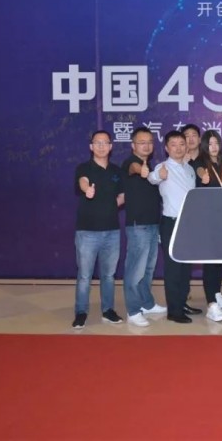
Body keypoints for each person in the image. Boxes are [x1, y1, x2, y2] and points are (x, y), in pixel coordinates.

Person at [72, 130, 125, 329]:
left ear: (111, 146)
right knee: (85, 276)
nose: (101, 146)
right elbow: (82, 181)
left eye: (105, 143)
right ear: (91, 146)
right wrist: (87, 190)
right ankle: (81, 312)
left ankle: (108, 310)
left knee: (109, 275)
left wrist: (111, 206)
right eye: (97, 142)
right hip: (87, 232)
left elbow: (122, 195)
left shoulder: (116, 171)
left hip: (112, 232)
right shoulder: (84, 168)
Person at [147, 131, 197, 324]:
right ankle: (174, 311)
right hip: (172, 222)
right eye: (173, 144)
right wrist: (157, 175)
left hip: (189, 223)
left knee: (186, 267)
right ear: (167, 148)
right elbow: (152, 178)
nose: (178, 148)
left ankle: (182, 303)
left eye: (181, 144)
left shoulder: (189, 168)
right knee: (174, 268)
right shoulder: (163, 167)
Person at [121, 127, 166, 327]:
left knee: (148, 269)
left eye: (149, 142)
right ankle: (133, 310)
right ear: (133, 145)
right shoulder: (130, 163)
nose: (146, 145)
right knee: (135, 270)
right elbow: (134, 168)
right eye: (141, 142)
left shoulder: (153, 166)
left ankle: (146, 303)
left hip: (153, 224)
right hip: (138, 226)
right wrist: (142, 170)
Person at [195, 129, 222, 323]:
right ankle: (211, 304)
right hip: (207, 218)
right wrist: (203, 176)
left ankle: (216, 293)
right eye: (210, 143)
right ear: (204, 145)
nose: (214, 147)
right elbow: (199, 172)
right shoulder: (199, 163)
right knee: (210, 261)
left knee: (220, 259)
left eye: (216, 143)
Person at [180, 123, 203, 316]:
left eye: (194, 134)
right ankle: (182, 298)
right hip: (184, 218)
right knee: (184, 259)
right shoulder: (177, 163)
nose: (190, 139)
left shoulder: (207, 160)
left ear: (200, 139)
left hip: (205, 216)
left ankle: (214, 296)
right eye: (186, 135)